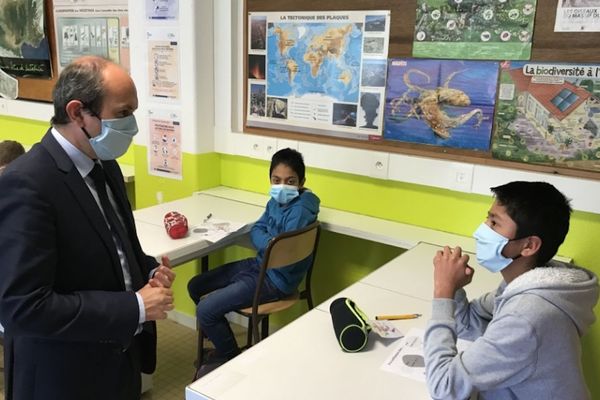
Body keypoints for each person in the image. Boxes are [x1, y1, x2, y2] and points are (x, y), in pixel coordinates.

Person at [0, 56, 176, 400]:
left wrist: (148, 269)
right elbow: (23, 307)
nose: (134, 126)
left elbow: (113, 244)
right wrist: (135, 307)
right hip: (63, 376)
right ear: (78, 113)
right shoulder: (27, 184)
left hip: (117, 360)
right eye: (123, 113)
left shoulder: (104, 165)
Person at [424, 181, 599, 400]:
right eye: (487, 218)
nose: (480, 231)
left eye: (495, 223)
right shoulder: (529, 282)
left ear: (529, 246)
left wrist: (443, 291)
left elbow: (444, 387)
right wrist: (455, 289)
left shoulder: (527, 315)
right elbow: (468, 324)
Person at [187, 148, 320, 379]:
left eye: (290, 181)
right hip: (260, 265)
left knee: (205, 310)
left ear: (301, 183)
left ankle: (230, 357)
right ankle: (222, 340)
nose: (282, 186)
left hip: (276, 280)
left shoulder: (299, 212)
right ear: (270, 179)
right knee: (196, 285)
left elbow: (282, 254)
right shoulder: (275, 202)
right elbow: (258, 229)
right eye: (276, 180)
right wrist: (270, 243)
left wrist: (269, 245)